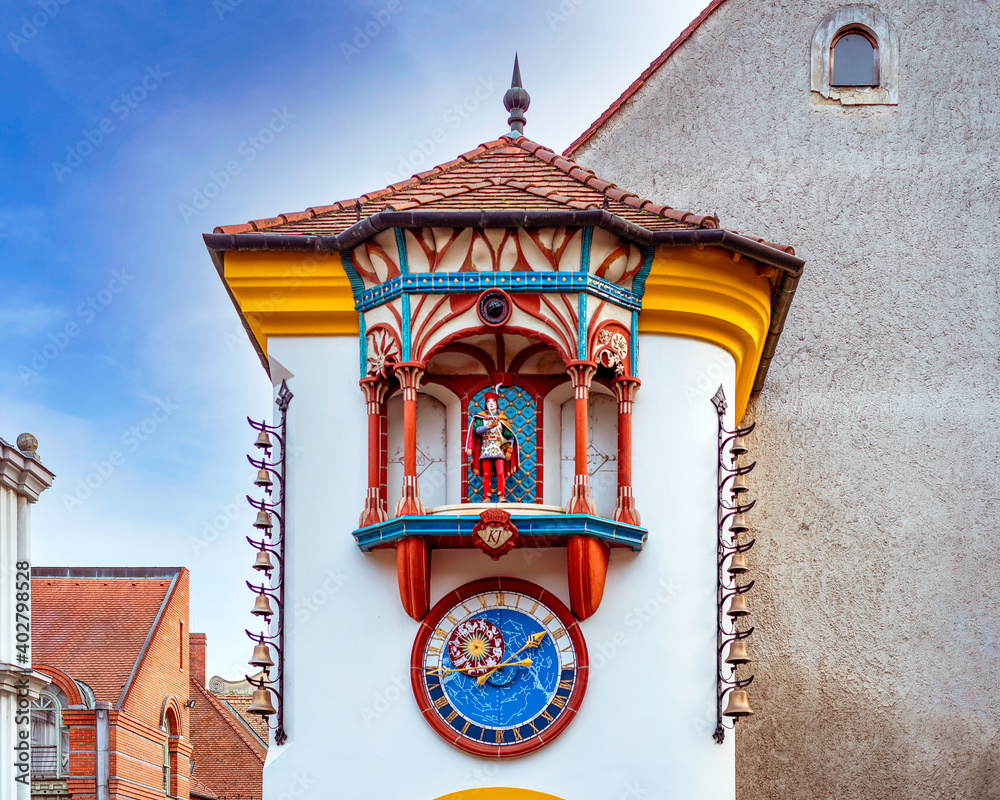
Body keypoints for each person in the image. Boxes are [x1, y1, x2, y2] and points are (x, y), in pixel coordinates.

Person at [466, 390, 520, 502]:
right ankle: (487, 496)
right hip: (486, 449)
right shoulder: (481, 418)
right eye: (488, 401)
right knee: (486, 473)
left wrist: (509, 448)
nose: (491, 403)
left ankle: (501, 495)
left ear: (496, 404)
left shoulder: (502, 419)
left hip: (499, 449)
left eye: (493, 401)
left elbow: (509, 435)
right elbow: (478, 430)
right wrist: (490, 425)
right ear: (485, 404)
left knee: (501, 472)